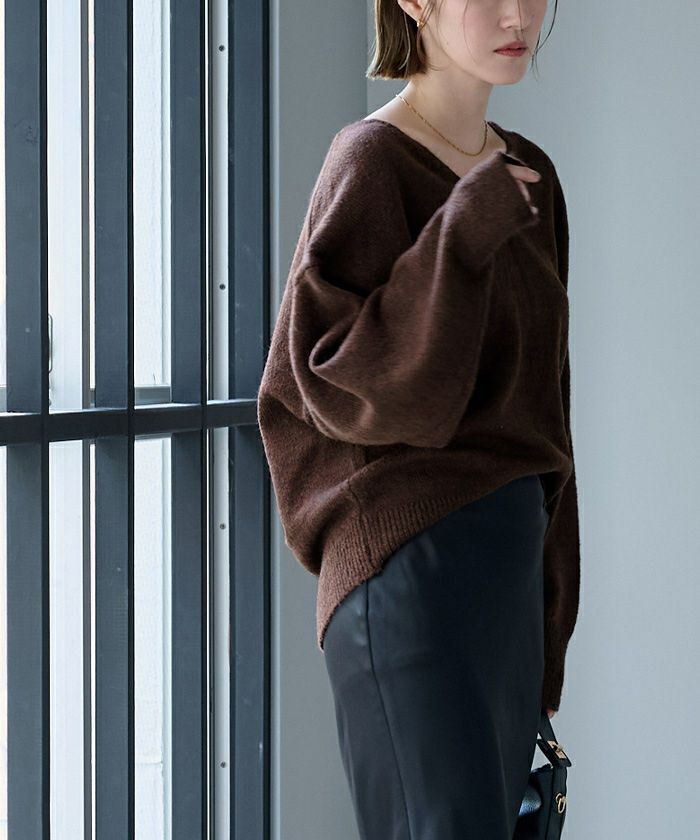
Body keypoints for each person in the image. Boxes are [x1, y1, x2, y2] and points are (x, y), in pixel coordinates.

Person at [256, 0, 581, 836]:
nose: (517, 15)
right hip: (410, 571)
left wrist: (550, 603)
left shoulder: (531, 175)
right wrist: (460, 232)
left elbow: (545, 410)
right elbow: (331, 382)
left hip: (506, 573)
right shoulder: (370, 160)